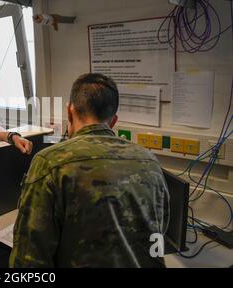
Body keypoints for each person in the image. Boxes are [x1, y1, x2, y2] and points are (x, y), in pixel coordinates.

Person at [10, 73, 169, 268]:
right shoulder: (150, 162)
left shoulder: (50, 163)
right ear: (113, 121)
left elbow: (29, 258)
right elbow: (158, 234)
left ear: (70, 112)